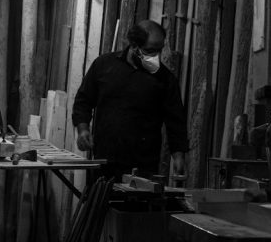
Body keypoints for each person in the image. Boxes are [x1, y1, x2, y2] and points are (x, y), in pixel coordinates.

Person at [72, 19, 189, 183]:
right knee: (102, 206)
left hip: (143, 165)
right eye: (149, 51)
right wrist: (82, 129)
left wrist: (178, 156)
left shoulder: (165, 79)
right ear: (134, 45)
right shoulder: (104, 65)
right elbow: (83, 100)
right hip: (105, 158)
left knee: (135, 207)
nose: (155, 57)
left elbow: (175, 121)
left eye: (158, 51)